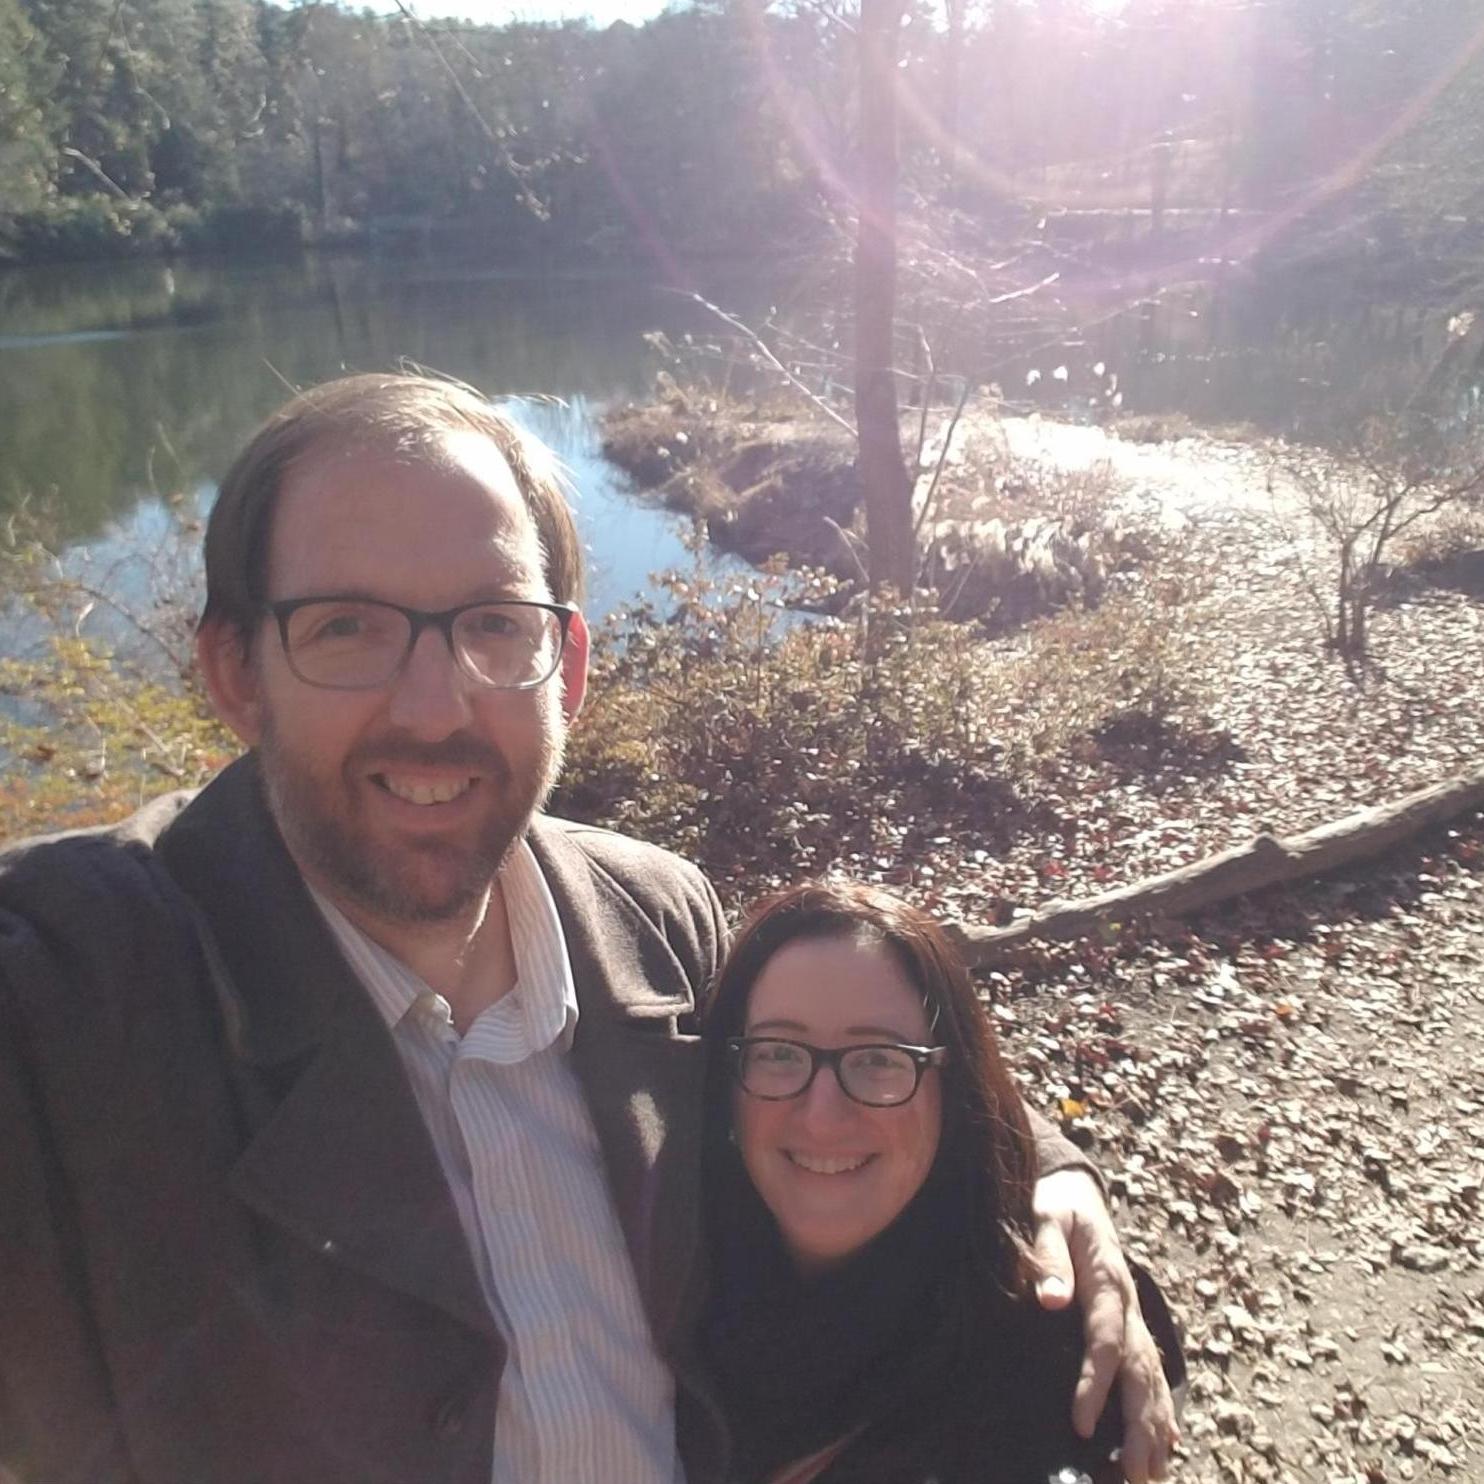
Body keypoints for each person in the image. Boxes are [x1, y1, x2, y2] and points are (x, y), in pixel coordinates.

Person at [0, 373, 1176, 1484]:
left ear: (565, 666)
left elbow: (864, 1055)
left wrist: (1047, 1179)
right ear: (235, 669)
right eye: (347, 626)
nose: (431, 704)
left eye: (493, 625)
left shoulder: (649, 916)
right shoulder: (80, 1002)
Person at [696, 881, 1184, 1484]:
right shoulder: (654, 1278)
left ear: (953, 1093)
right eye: (778, 1053)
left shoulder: (1062, 1349)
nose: (822, 1114)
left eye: (879, 1058)